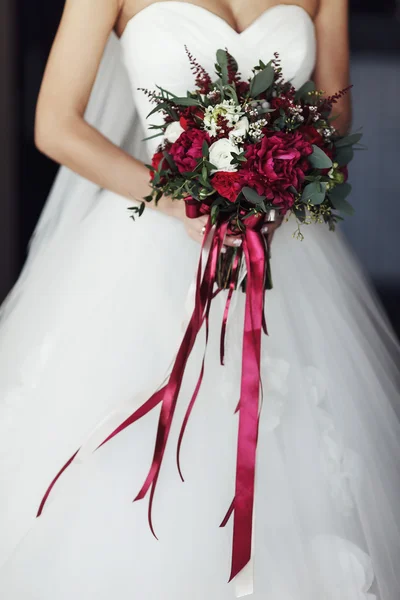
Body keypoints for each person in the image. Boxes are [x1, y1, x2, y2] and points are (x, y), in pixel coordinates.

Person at [0, 1, 399, 598]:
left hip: (281, 245)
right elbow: (55, 123)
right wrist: (176, 198)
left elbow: (335, 113)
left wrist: (276, 165)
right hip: (144, 251)